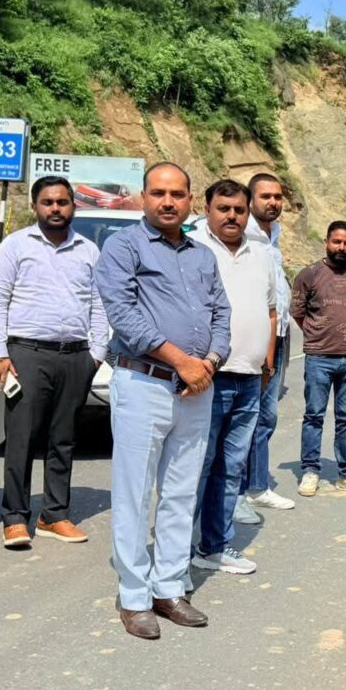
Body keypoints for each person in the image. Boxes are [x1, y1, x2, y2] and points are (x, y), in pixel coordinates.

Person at [95, 162, 230, 640]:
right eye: (158, 193)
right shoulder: (123, 247)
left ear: (191, 199)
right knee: (134, 493)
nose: (168, 202)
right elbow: (123, 314)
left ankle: (169, 588)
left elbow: (221, 313)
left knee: (180, 491)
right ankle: (134, 596)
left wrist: (208, 363)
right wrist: (181, 361)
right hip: (143, 383)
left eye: (177, 194)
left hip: (196, 389)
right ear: (143, 197)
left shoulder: (203, 256)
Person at [0, 176, 108, 549]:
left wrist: (96, 354)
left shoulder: (89, 251)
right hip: (26, 354)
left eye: (62, 202)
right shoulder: (16, 245)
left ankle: (54, 515)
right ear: (35, 206)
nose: (55, 208)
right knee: (21, 438)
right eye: (48, 202)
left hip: (76, 356)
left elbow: (99, 304)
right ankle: (15, 518)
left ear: (73, 206)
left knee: (63, 439)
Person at [189, 179, 276, 574]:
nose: (232, 216)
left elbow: (271, 311)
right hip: (209, 377)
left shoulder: (262, 254)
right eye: (223, 208)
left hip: (250, 378)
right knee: (198, 466)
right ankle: (177, 551)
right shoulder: (194, 249)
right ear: (207, 209)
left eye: (239, 209)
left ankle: (214, 546)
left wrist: (266, 363)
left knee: (231, 467)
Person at [290, 220, 346, 498]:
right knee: (314, 415)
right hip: (319, 358)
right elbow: (298, 313)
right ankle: (310, 471)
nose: (342, 247)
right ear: (326, 242)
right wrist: (319, 334)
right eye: (337, 241)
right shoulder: (309, 274)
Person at [233, 172, 295, 523]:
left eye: (277, 196)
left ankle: (257, 486)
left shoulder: (274, 236)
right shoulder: (243, 234)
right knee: (243, 416)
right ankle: (235, 493)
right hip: (254, 338)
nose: (273, 202)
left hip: (279, 335)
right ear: (250, 199)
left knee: (266, 416)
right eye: (266, 196)